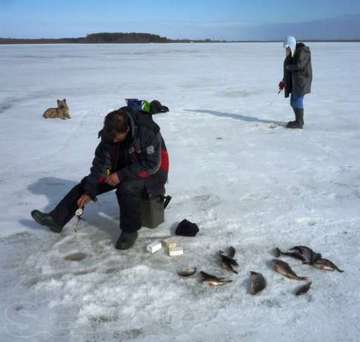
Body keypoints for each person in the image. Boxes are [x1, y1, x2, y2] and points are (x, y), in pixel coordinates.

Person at [31, 100, 170, 250]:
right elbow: (100, 166)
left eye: (117, 138)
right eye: (112, 138)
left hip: (153, 170)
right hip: (126, 164)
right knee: (86, 183)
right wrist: (90, 191)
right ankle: (56, 219)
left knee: (127, 188)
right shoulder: (110, 135)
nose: (114, 140)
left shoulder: (147, 131)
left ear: (128, 129)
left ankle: (129, 231)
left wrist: (120, 175)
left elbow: (151, 165)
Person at [279, 36, 312, 129]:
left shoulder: (303, 51)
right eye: (286, 48)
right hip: (296, 81)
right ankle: (297, 120)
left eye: (288, 47)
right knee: (293, 101)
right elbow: (288, 71)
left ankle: (299, 122)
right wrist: (283, 81)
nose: (286, 50)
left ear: (292, 46)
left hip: (302, 81)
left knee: (297, 100)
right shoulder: (291, 55)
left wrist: (288, 67)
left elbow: (299, 65)